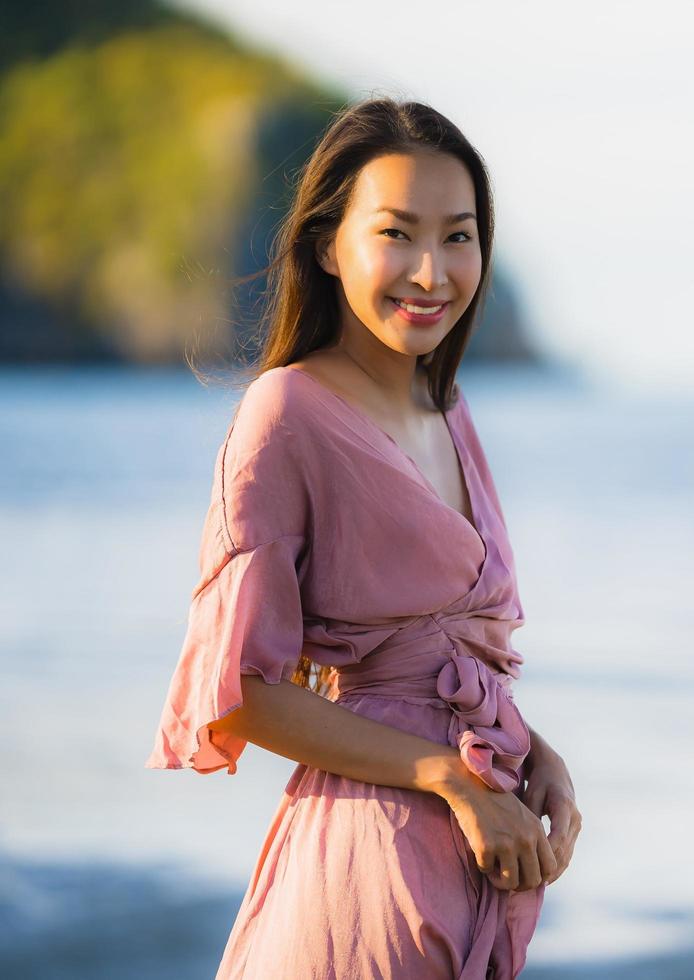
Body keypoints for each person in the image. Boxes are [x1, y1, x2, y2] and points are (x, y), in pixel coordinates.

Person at [144, 97, 581, 979]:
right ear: (326, 246)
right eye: (396, 233)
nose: (431, 271)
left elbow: (442, 663)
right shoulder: (285, 416)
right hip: (364, 876)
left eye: (458, 236)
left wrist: (537, 756)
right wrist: (448, 778)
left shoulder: (447, 410)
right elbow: (238, 694)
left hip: (464, 864)